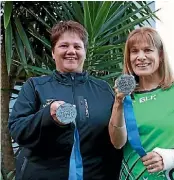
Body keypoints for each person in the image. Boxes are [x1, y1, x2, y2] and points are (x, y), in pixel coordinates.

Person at [9, 20, 122, 180]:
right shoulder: (35, 86)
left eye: (77, 46)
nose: (71, 51)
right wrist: (48, 116)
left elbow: (116, 137)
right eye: (64, 46)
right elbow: (17, 129)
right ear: (53, 52)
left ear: (85, 52)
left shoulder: (103, 89)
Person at [108, 27, 174, 180]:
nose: (141, 57)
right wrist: (119, 102)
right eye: (134, 51)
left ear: (160, 54)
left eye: (148, 50)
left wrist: (169, 158)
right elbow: (117, 143)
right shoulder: (124, 96)